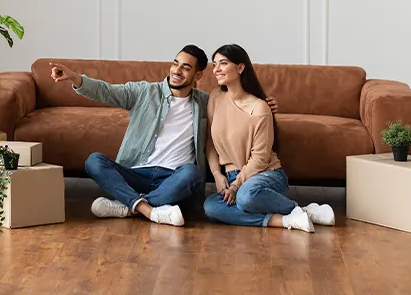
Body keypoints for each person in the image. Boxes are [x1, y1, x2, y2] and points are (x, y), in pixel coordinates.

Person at [49, 45, 279, 226]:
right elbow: (105, 91)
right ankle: (148, 209)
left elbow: (237, 108)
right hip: (137, 172)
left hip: (175, 178)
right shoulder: (144, 92)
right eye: (175, 64)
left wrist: (264, 104)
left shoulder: (206, 101)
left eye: (186, 68)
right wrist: (76, 78)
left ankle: (127, 205)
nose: (176, 71)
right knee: (94, 161)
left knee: (191, 172)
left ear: (198, 75)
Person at [202, 44, 334, 232]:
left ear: (240, 67)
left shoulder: (260, 107)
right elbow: (209, 140)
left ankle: (299, 209)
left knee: (246, 197)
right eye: (214, 64)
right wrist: (217, 174)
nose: (216, 69)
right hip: (231, 177)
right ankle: (286, 219)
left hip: (264, 174)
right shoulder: (216, 96)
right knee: (211, 207)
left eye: (223, 63)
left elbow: (260, 159)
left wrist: (236, 186)